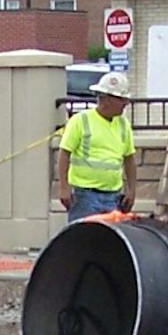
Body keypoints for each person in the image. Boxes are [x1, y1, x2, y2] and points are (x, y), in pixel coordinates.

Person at [57, 71, 137, 223]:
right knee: (84, 241)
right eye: (121, 99)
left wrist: (131, 191)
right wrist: (64, 187)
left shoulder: (123, 124)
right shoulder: (81, 120)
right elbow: (64, 153)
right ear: (106, 99)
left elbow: (129, 159)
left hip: (113, 196)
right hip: (84, 196)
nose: (126, 103)